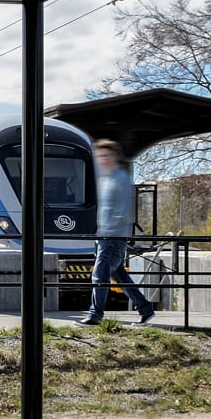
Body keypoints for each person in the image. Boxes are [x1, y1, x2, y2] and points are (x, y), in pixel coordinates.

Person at [79, 139, 155, 326]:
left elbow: (123, 211)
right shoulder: (108, 179)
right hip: (106, 236)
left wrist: (108, 233)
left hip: (112, 237)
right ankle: (145, 309)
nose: (103, 159)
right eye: (100, 156)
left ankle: (95, 315)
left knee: (100, 275)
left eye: (106, 155)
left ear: (114, 156)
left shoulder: (120, 179)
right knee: (119, 275)